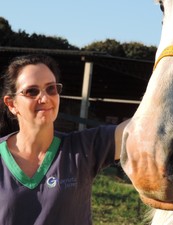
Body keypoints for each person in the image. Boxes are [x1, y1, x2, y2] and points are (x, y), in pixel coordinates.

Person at [0, 54, 128, 225]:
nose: (45, 98)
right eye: (32, 91)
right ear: (11, 104)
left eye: (51, 89)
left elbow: (138, 129)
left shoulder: (82, 149)